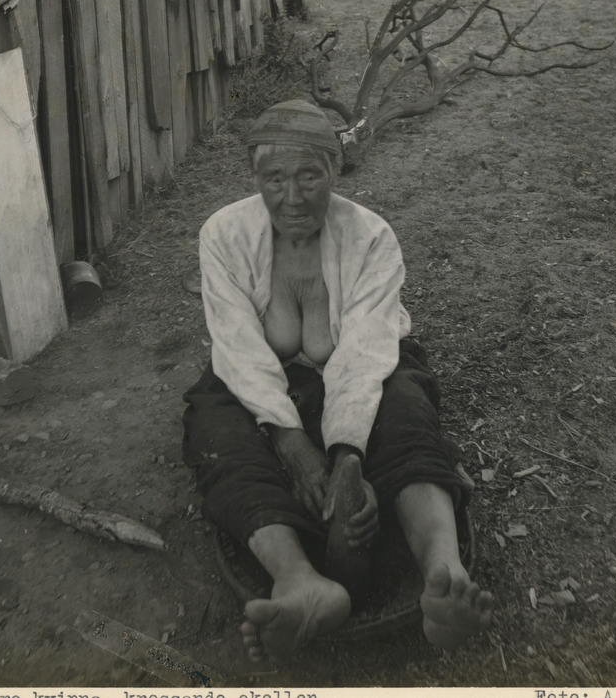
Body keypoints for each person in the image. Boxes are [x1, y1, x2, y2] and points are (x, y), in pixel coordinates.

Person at [182, 100, 493, 662]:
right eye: (274, 179)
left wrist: (347, 453)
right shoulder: (224, 235)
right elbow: (240, 350)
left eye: (309, 177)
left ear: (336, 170)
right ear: (254, 176)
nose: (292, 197)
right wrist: (291, 442)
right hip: (265, 378)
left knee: (404, 409)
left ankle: (443, 571)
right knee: (219, 428)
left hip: (362, 367)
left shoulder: (370, 237)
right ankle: (298, 579)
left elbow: (366, 351)